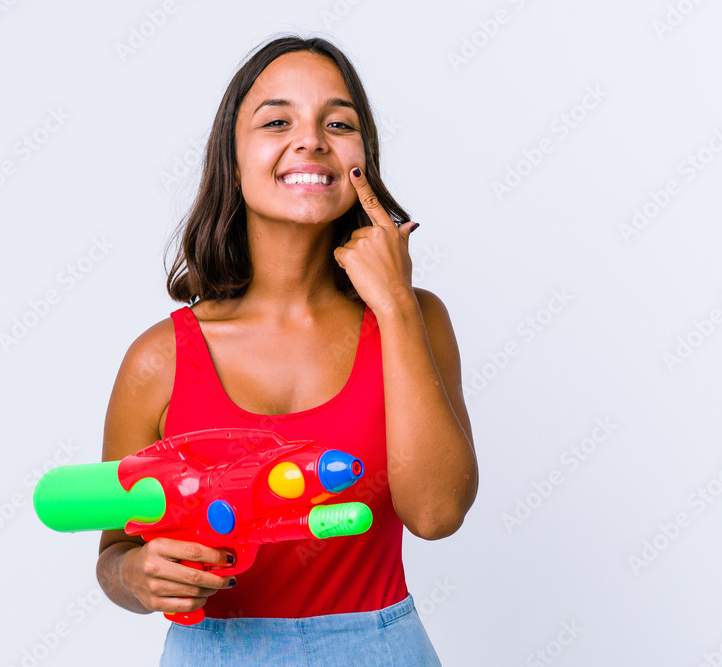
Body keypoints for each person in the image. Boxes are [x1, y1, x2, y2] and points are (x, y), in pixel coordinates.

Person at [95, 34, 478, 666]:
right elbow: (115, 553)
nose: (312, 140)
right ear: (232, 158)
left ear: (363, 159)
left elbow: (436, 514)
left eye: (338, 123)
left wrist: (394, 303)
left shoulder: (414, 320)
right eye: (277, 121)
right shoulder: (159, 360)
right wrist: (136, 576)